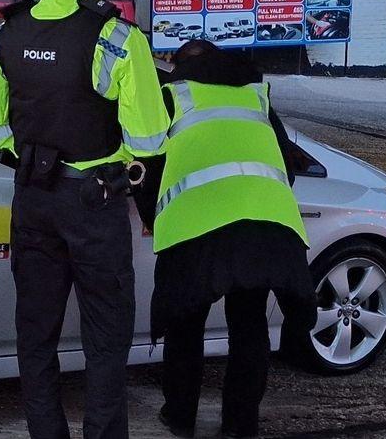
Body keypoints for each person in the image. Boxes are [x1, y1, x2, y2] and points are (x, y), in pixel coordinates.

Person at [0, 0, 171, 439]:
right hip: (96, 203)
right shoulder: (117, 36)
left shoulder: (4, 34)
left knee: (35, 334)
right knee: (106, 338)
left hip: (33, 201)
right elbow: (151, 139)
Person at [134, 40, 317, 438]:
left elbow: (145, 165)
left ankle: (180, 416)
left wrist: (152, 218)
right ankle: (241, 423)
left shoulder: (173, 95)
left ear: (177, 67)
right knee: (249, 326)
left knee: (186, 324)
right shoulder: (254, 96)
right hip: (265, 224)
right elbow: (287, 159)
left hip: (198, 224)